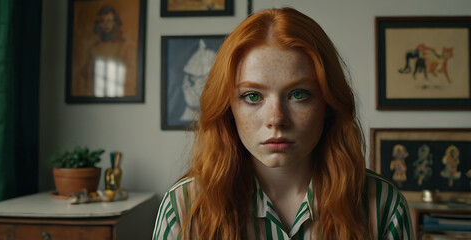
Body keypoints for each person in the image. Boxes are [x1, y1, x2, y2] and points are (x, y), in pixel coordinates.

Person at [153, 7, 414, 239]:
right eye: (252, 96)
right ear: (227, 108)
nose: (276, 119)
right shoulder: (184, 207)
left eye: (298, 94)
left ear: (328, 103)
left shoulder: (382, 206)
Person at [76, 5, 136, 97]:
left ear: (115, 23)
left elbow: (132, 76)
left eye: (109, 21)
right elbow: (85, 75)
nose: (106, 24)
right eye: (102, 21)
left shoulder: (126, 47)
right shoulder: (94, 49)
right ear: (98, 25)